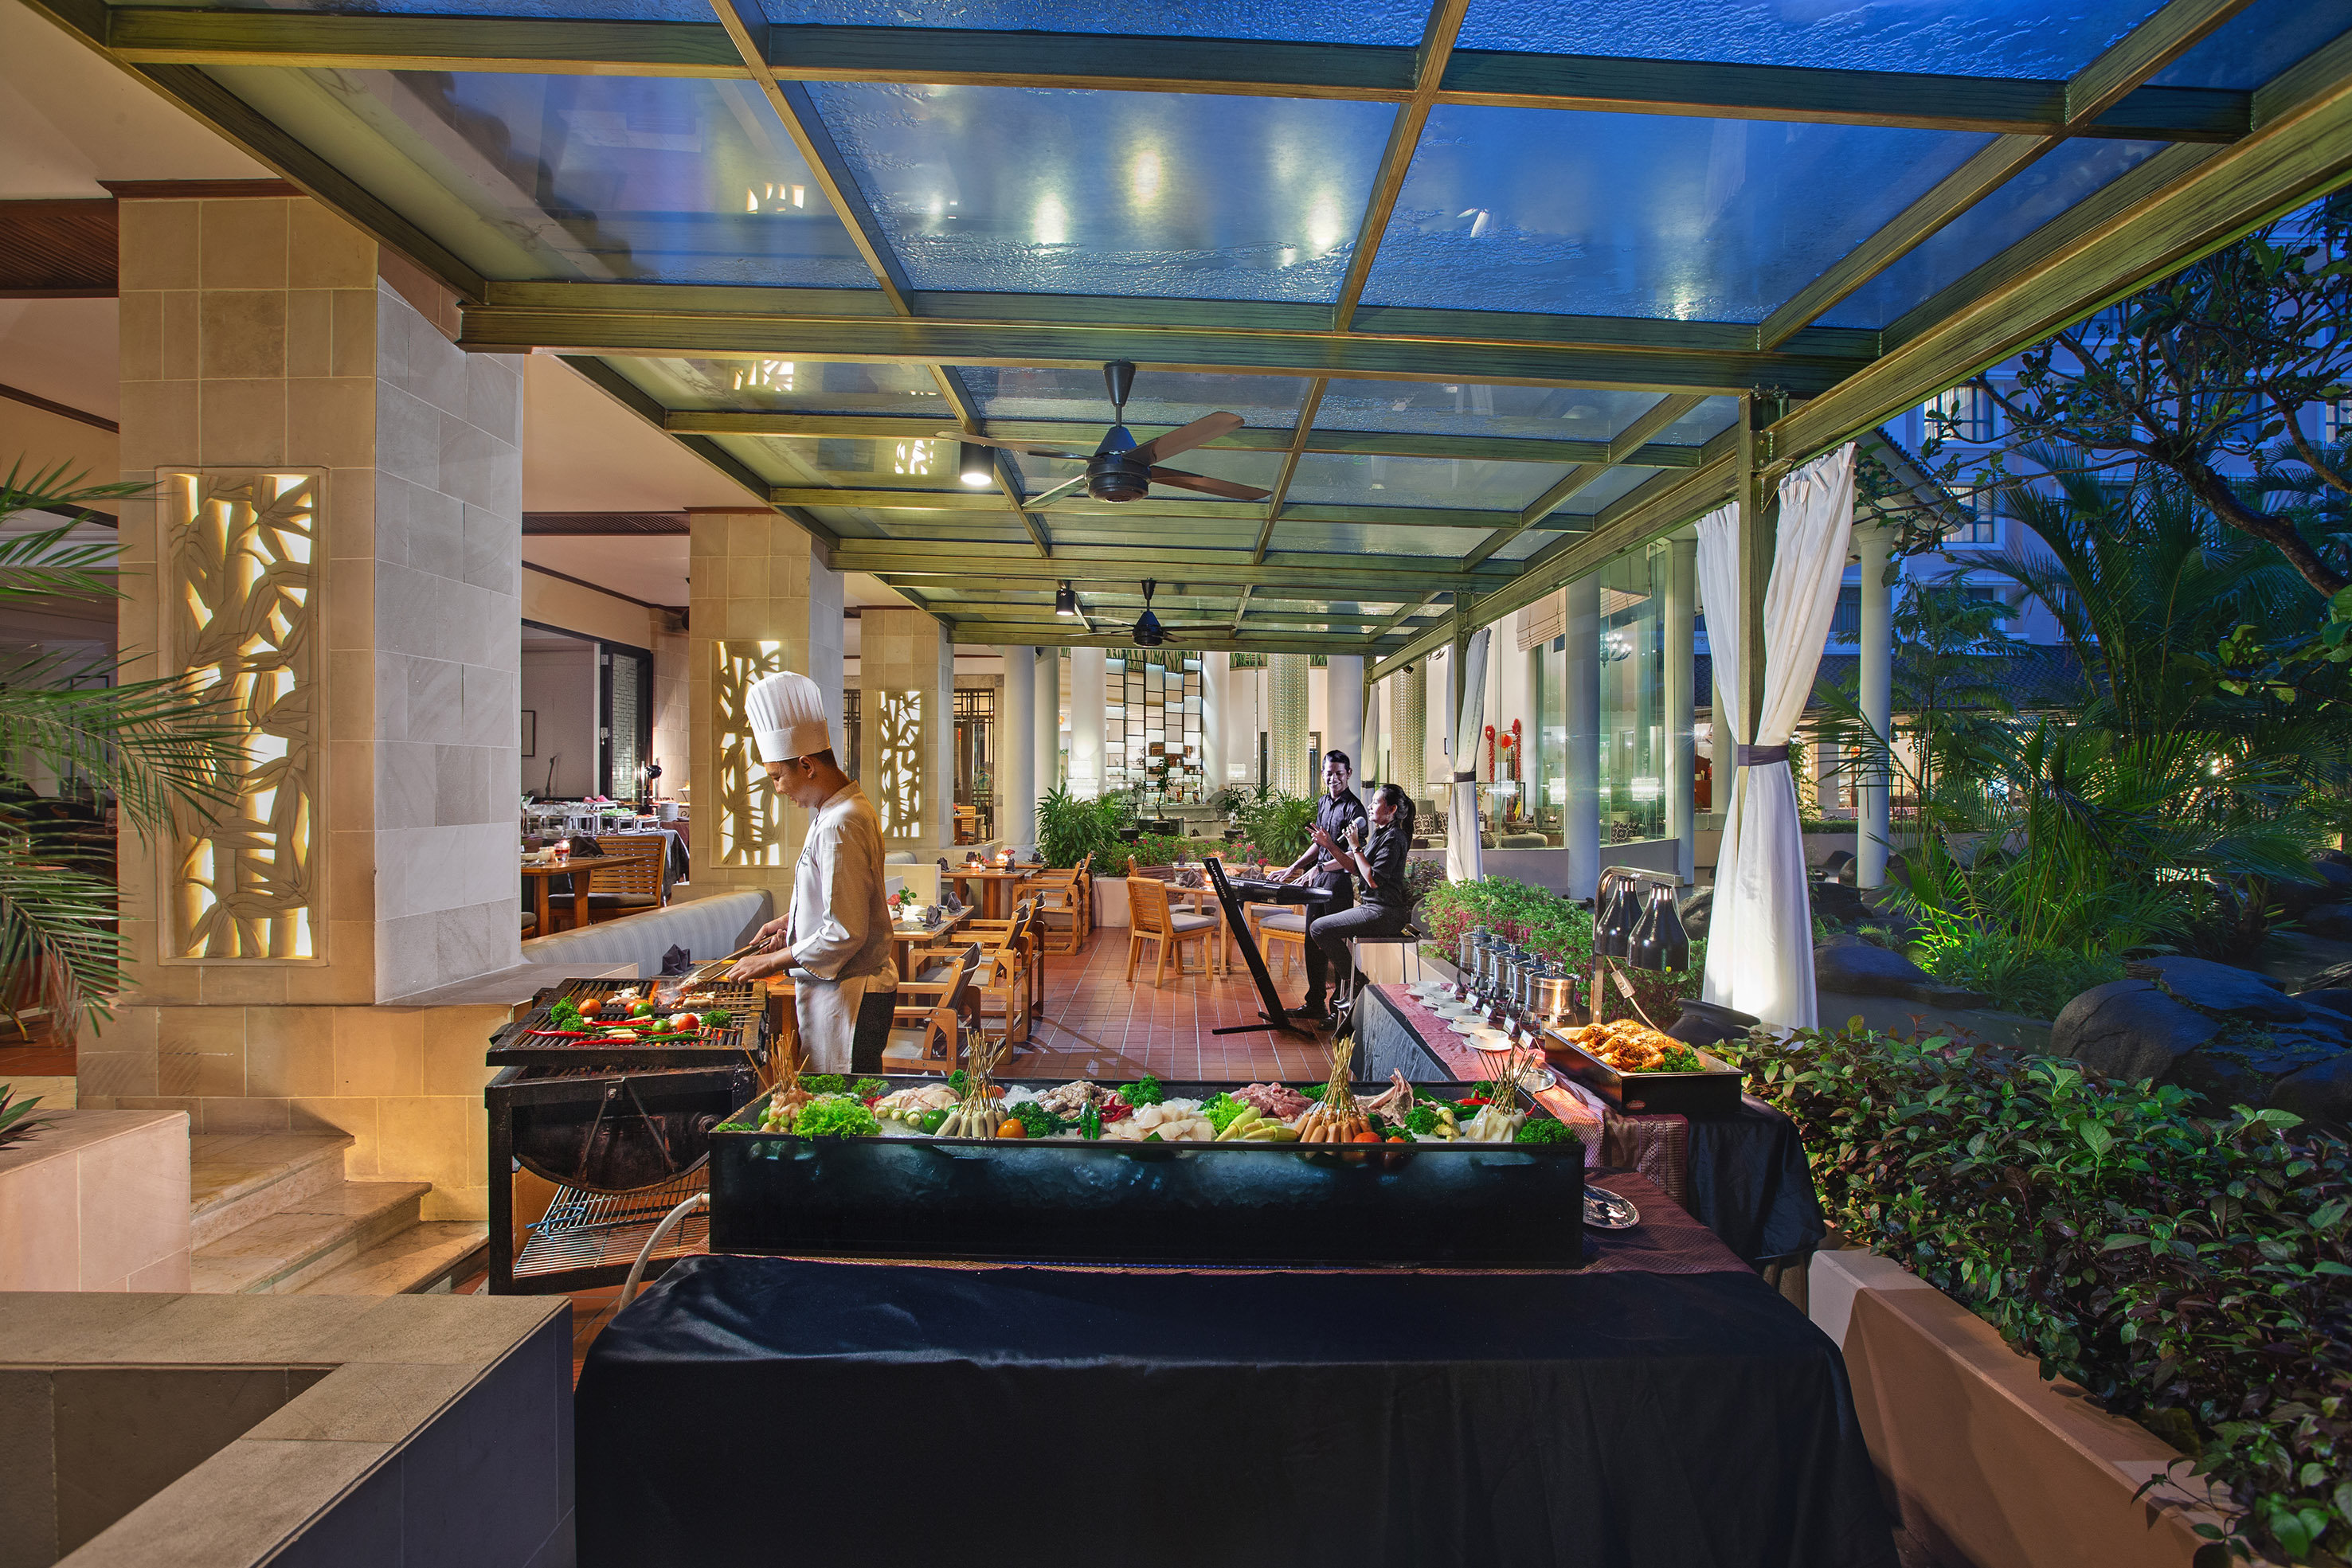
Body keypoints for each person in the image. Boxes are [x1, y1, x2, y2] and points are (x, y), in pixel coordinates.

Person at [725, 672, 895, 1073]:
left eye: (777, 776)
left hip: (853, 994)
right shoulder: (837, 810)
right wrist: (789, 924)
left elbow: (845, 931)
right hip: (845, 989)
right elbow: (839, 899)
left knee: (846, 1110)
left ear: (806, 765)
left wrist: (772, 963)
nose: (779, 789)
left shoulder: (842, 822)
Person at [1305, 782, 1417, 1010]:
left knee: (1319, 928)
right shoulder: (1381, 834)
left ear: (1392, 809)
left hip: (1384, 913)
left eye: (1376, 802)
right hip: (1372, 908)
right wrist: (1330, 845)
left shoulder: (1395, 838)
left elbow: (1372, 879)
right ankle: (1354, 982)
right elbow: (1356, 868)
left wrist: (1355, 845)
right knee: (1320, 928)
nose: (1370, 806)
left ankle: (1356, 982)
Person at [1274, 749, 1366, 1023]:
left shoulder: (1356, 809)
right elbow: (1319, 843)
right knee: (1312, 942)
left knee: (1335, 946)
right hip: (1316, 880)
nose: (1333, 778)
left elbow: (1350, 856)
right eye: (1329, 773)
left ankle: (1339, 1009)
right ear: (1323, 773)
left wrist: (1320, 867)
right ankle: (1315, 1003)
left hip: (1337, 883)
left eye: (1339, 773)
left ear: (1348, 774)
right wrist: (1294, 867)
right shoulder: (1323, 802)